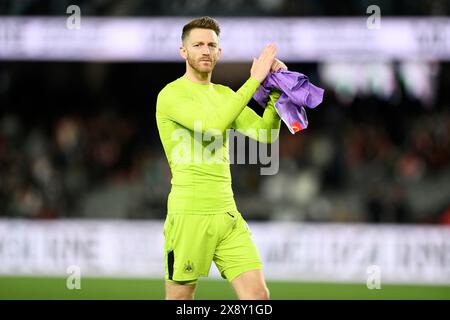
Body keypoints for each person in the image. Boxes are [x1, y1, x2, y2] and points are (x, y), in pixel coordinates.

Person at [156, 16, 286, 300]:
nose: (205, 50)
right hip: (189, 214)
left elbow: (266, 134)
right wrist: (255, 80)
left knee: (258, 297)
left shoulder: (225, 94)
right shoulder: (171, 95)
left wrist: (276, 91)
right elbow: (213, 123)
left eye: (211, 45)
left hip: (227, 214)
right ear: (183, 52)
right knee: (180, 300)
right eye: (198, 44)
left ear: (219, 52)